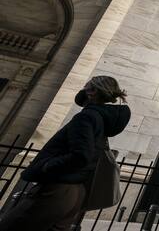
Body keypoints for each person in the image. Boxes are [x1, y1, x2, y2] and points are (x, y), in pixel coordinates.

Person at [0, 75, 130, 231]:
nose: (83, 88)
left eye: (86, 86)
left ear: (92, 91)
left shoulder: (86, 117)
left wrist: (47, 166)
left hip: (59, 188)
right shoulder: (101, 119)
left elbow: (81, 155)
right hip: (76, 192)